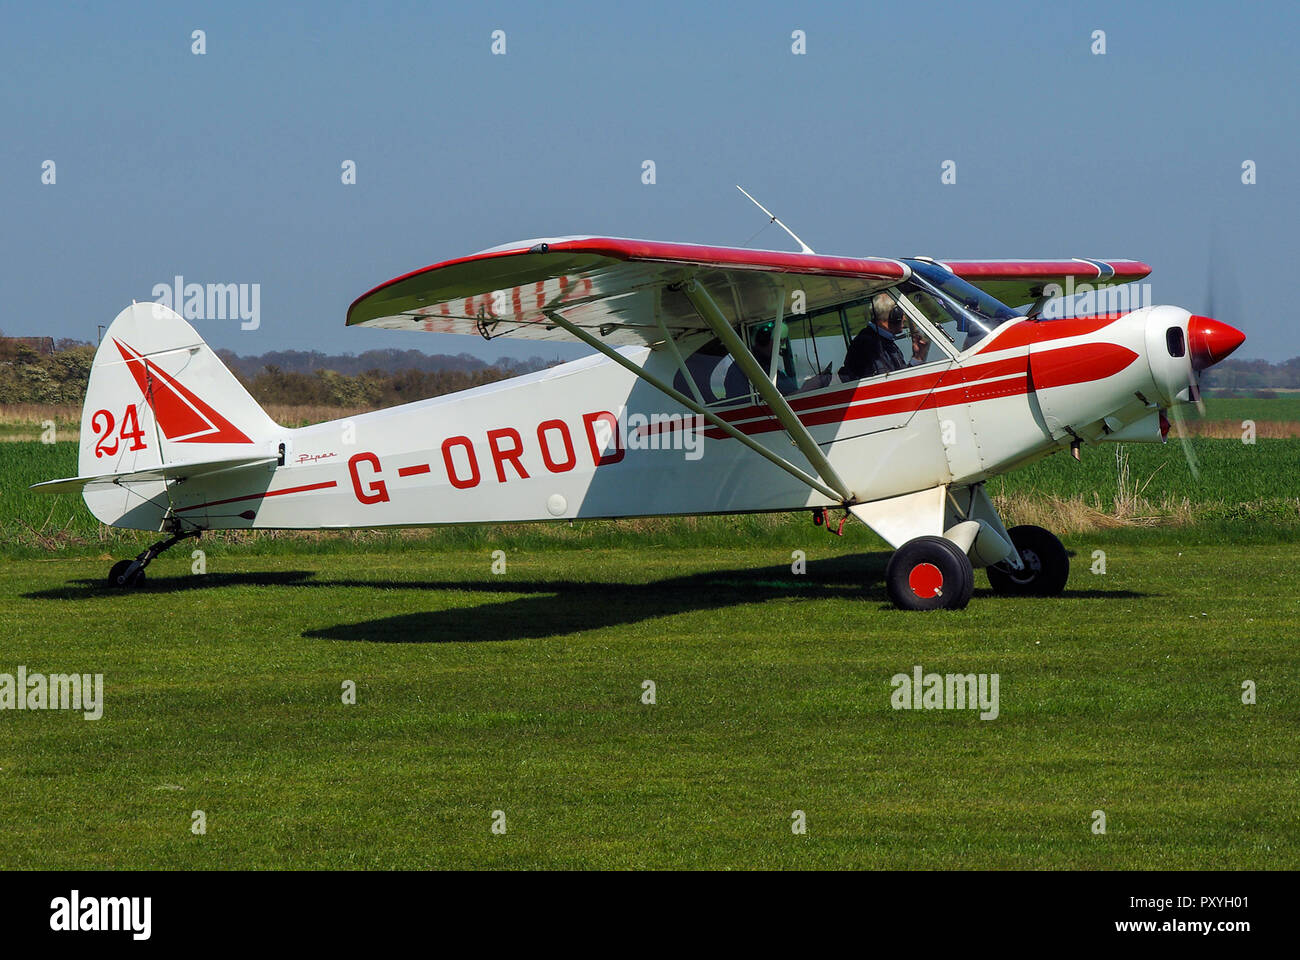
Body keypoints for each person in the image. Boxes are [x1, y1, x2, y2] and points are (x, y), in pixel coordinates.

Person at [839, 293, 906, 381]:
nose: (904, 318)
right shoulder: (867, 344)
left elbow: (901, 375)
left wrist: (917, 358)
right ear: (893, 316)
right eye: (900, 314)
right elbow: (889, 381)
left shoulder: (886, 342)